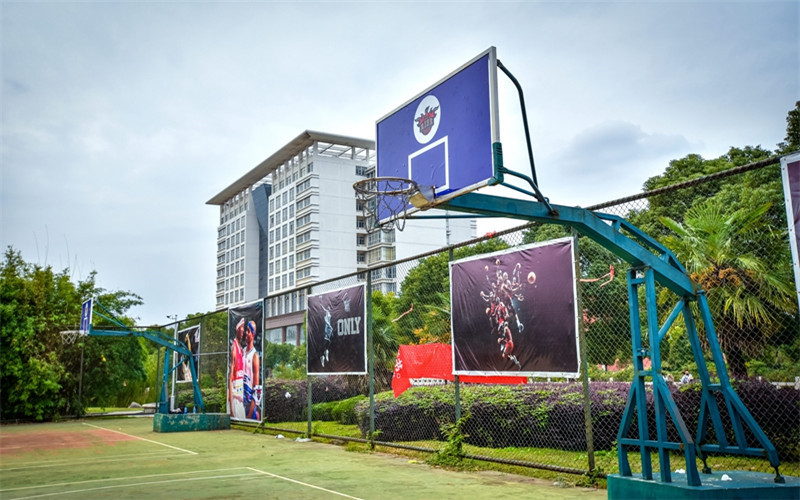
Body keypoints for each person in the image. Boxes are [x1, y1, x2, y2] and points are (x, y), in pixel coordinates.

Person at [242, 320, 261, 421]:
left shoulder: (255, 355)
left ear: (253, 334)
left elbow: (257, 386)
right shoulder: (242, 352)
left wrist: (252, 410)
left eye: (248, 331)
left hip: (249, 402)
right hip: (240, 398)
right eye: (246, 330)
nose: (246, 333)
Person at [229, 318, 246, 419]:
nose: (243, 330)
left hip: (240, 390)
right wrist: (231, 406)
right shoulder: (234, 347)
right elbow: (231, 375)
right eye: (241, 327)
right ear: (237, 329)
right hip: (236, 392)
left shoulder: (240, 347)